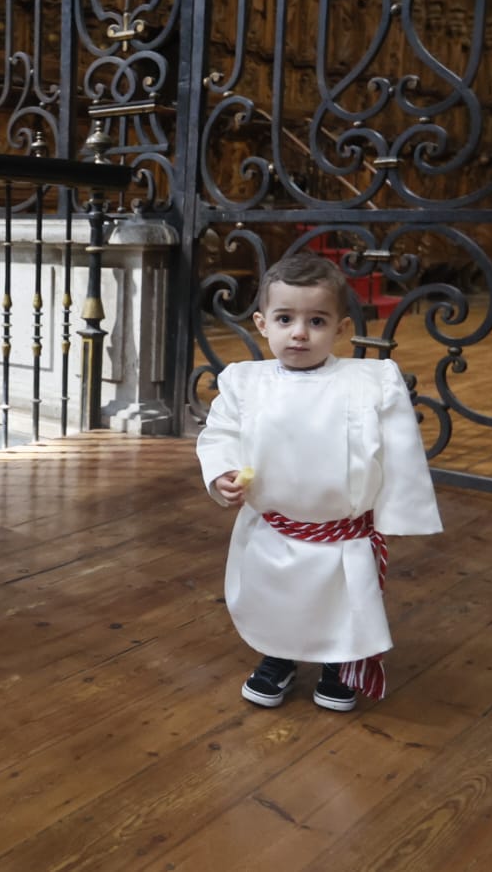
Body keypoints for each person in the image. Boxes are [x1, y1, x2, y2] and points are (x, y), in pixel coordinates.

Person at [195, 251, 442, 711]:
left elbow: (400, 449)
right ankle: (279, 655)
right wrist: (223, 472)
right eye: (285, 318)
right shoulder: (244, 383)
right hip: (274, 525)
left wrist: (395, 515)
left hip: (341, 530)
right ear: (262, 323)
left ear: (342, 329)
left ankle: (338, 663)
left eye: (317, 320)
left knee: (341, 603)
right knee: (277, 598)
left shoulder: (369, 383)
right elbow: (221, 433)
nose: (300, 333)